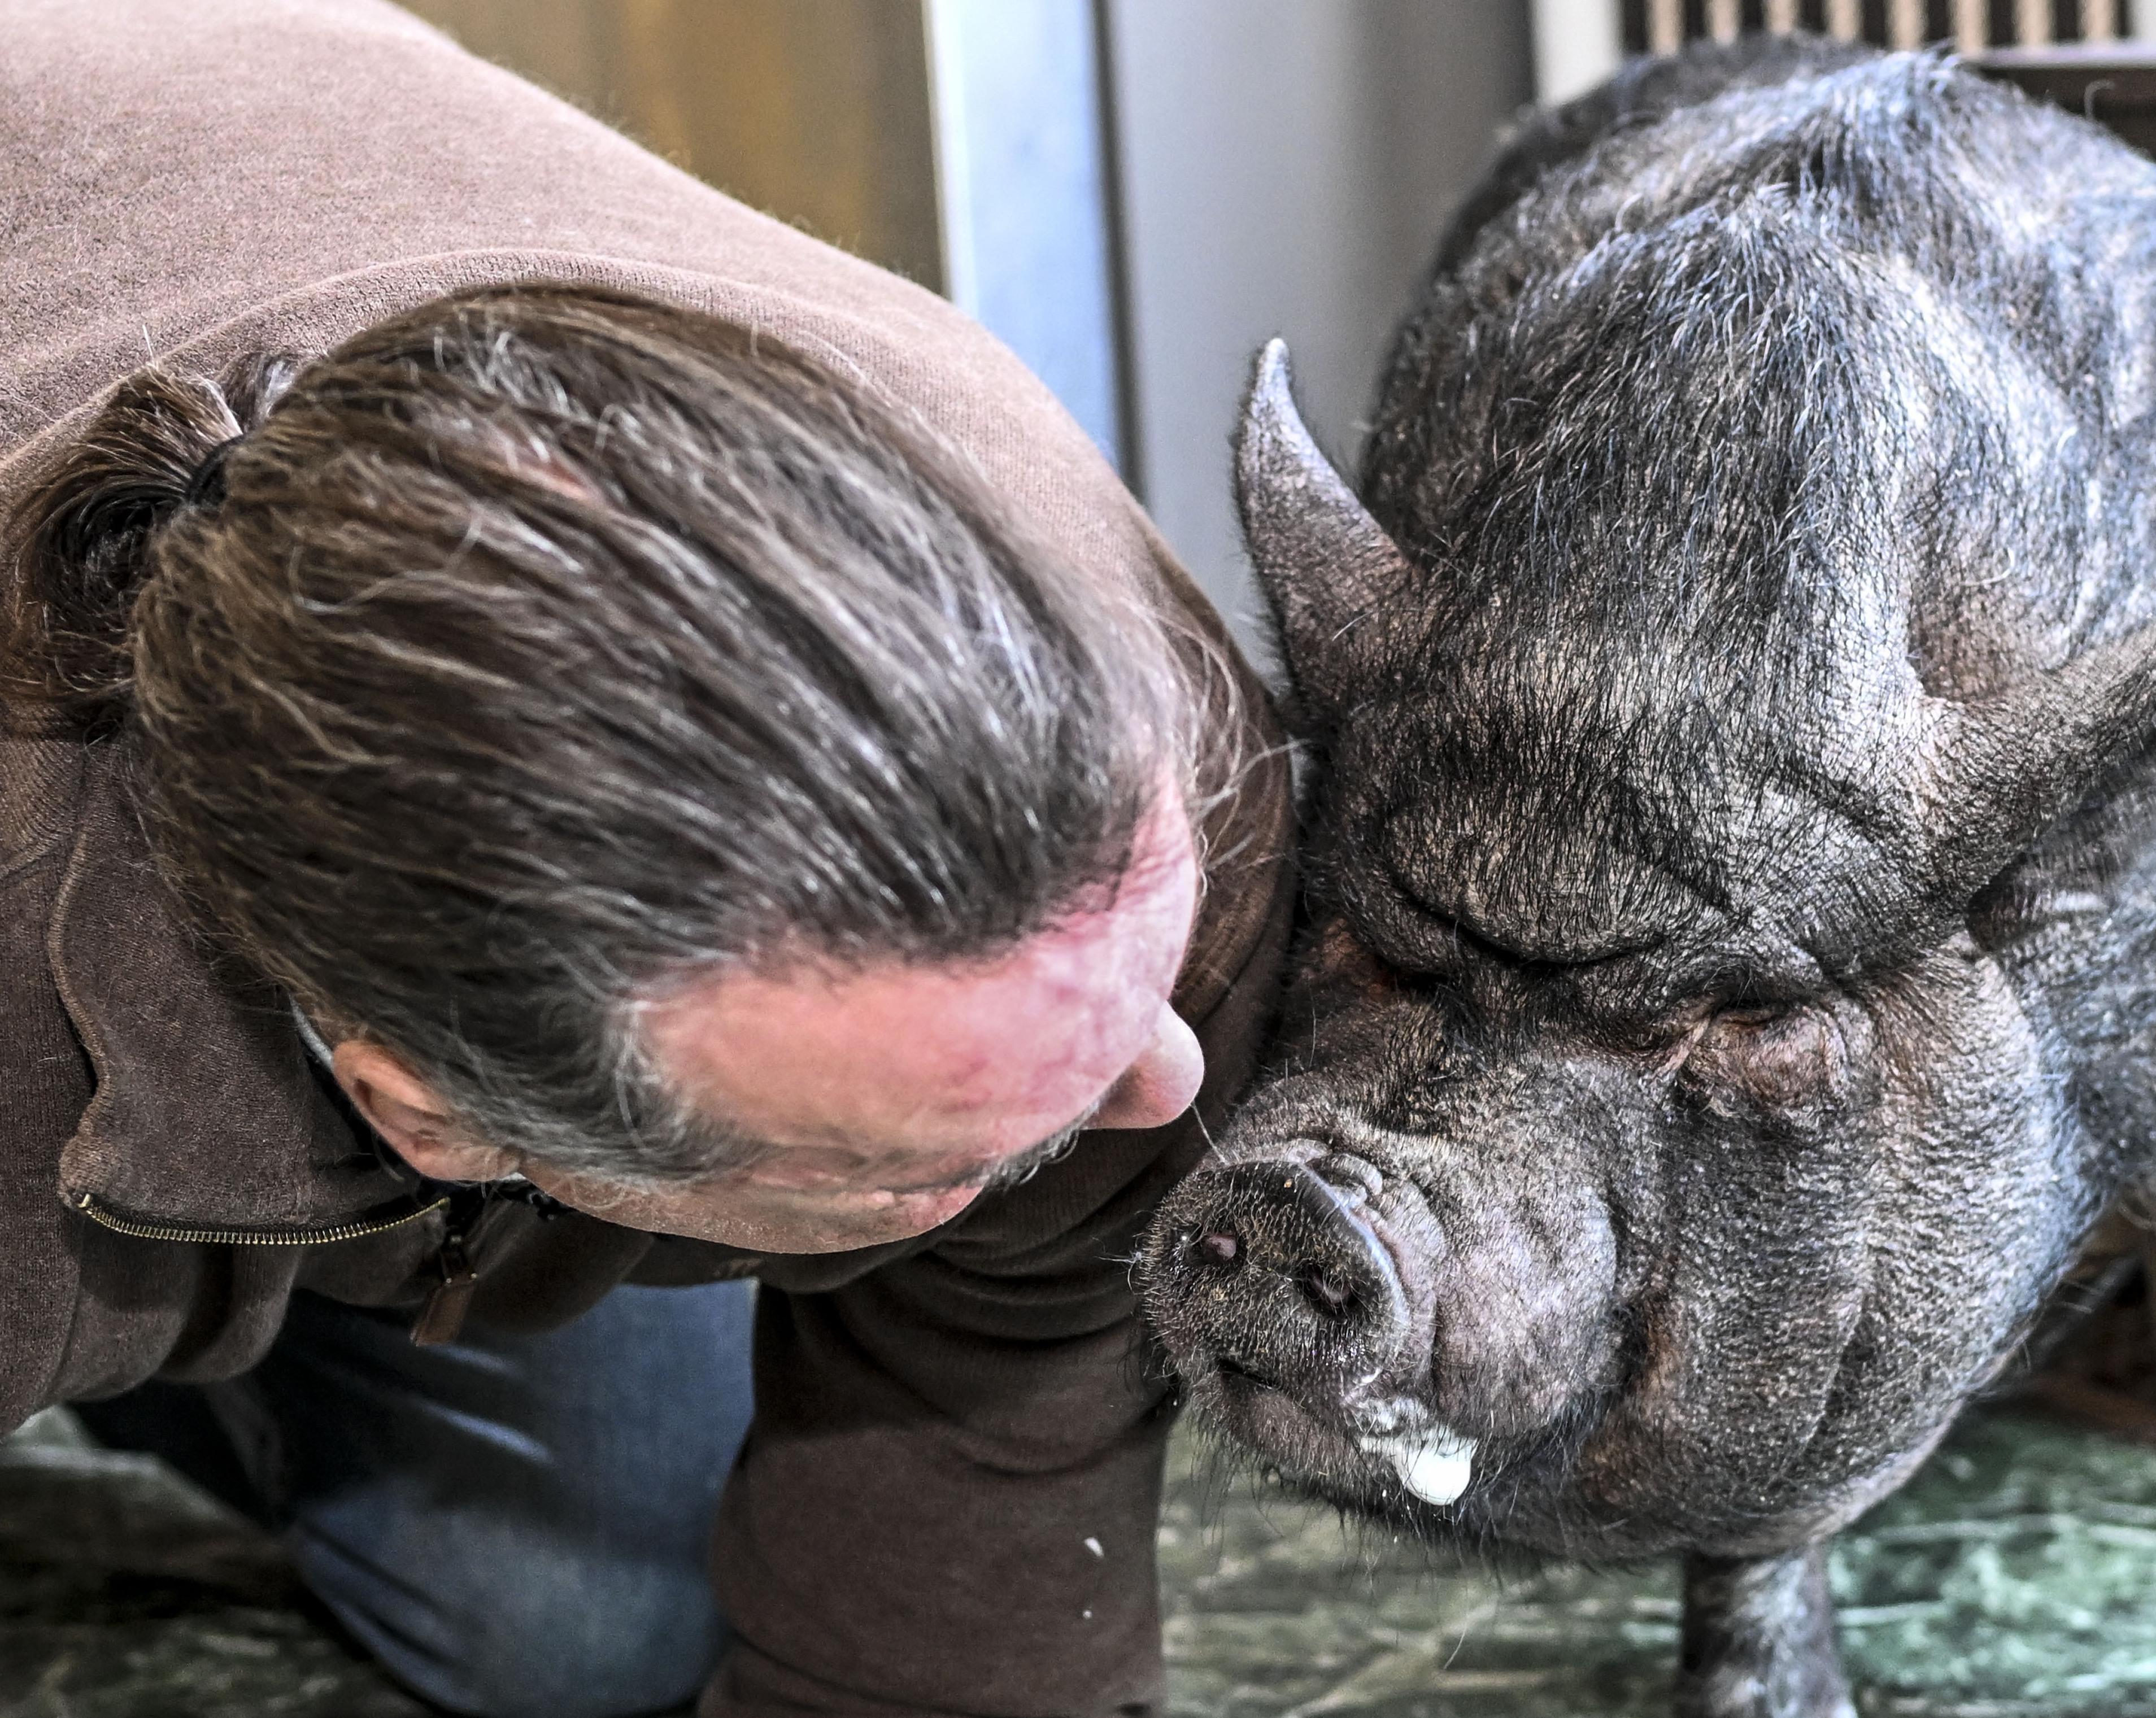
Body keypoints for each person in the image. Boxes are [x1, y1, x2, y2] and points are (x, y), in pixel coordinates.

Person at [0, 5, 1293, 1716]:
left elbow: (976, 1497)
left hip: (235, 95)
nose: (1172, 1085)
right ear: (431, 1109)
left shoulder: (1112, 727)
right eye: (965, 1142)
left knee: (583, 1628)